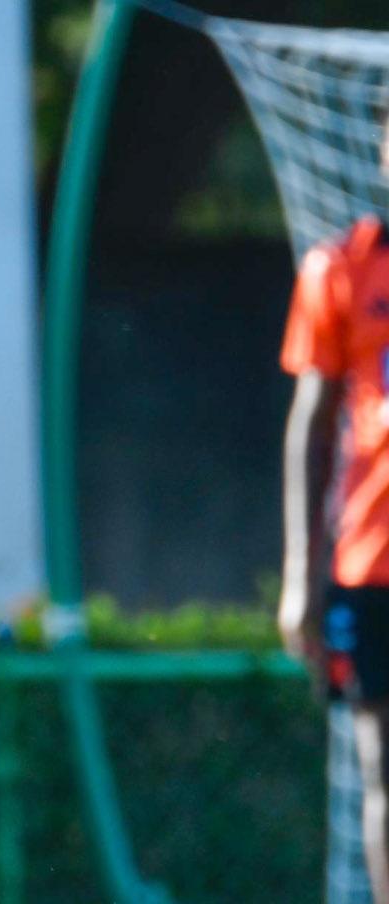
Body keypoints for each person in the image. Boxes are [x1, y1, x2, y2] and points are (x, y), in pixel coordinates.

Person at [278, 120, 389, 904]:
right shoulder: (339, 268)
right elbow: (311, 428)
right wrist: (300, 578)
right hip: (372, 561)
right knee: (383, 764)